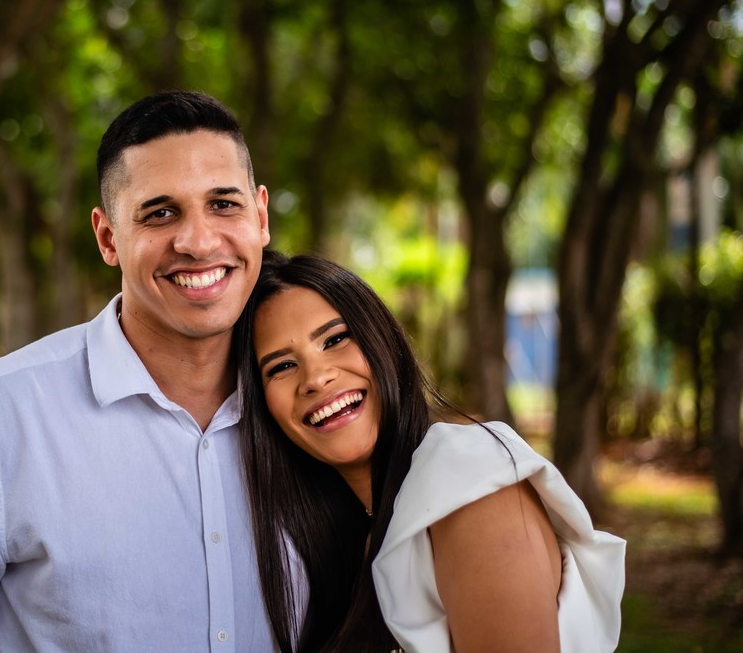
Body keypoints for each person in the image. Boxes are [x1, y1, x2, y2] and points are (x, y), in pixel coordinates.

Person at [0, 91, 277, 652]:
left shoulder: (314, 411)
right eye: (160, 213)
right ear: (108, 238)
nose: (199, 241)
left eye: (223, 204)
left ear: (260, 216)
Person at [233, 251, 625, 653]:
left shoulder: (470, 481)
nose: (315, 378)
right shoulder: (341, 536)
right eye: (281, 367)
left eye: (335, 339)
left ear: (382, 339)